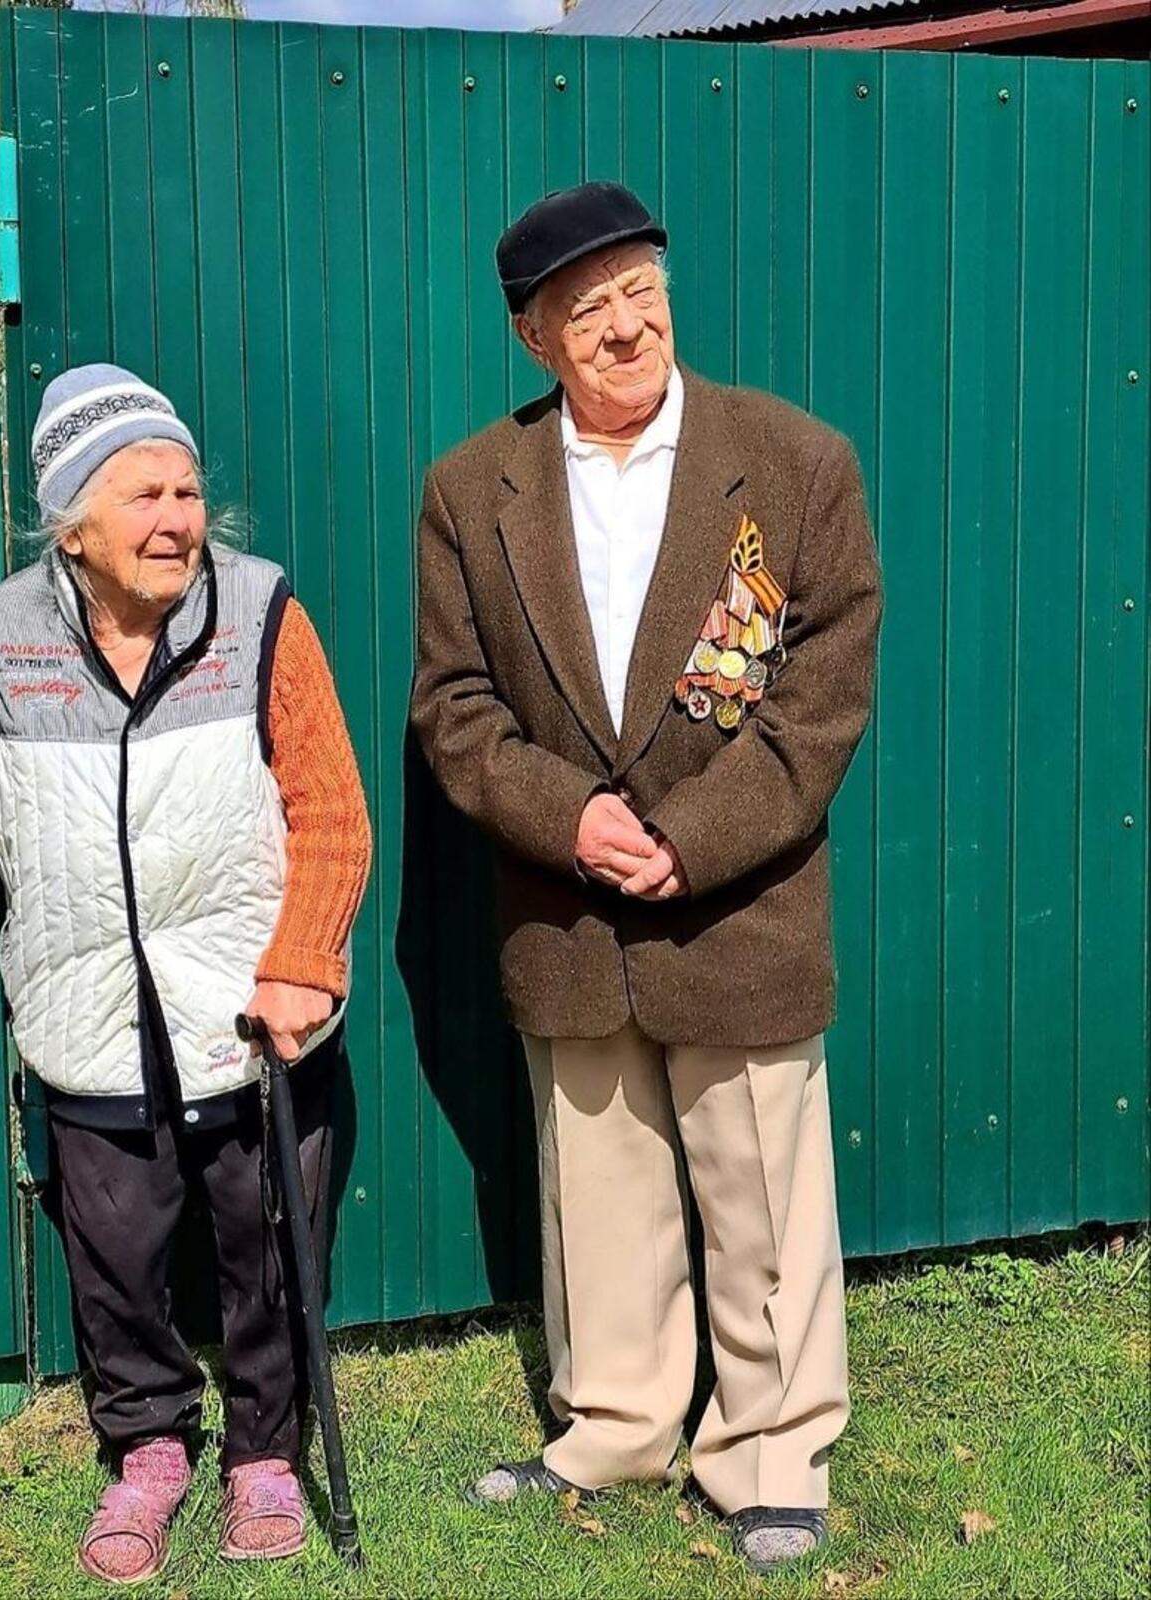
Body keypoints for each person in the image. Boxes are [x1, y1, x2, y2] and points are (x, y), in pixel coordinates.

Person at [411, 182, 882, 1576]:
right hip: (567, 908)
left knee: (762, 1195)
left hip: (743, 900)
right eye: (585, 308)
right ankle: (615, 1421)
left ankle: (771, 1447)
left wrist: (693, 835)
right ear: (533, 341)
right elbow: (455, 706)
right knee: (596, 1188)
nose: (625, 326)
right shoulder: (468, 491)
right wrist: (570, 821)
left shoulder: (794, 463)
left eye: (640, 290)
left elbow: (823, 691)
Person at [0, 365, 372, 1582]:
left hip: (250, 1012)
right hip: (86, 1011)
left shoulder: (261, 615)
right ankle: (144, 1447)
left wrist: (301, 964)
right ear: (70, 522)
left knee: (269, 1247)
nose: (177, 517)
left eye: (187, 490)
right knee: (116, 1259)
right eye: (142, 494)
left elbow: (331, 810)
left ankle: (262, 1453)